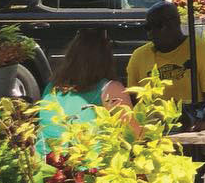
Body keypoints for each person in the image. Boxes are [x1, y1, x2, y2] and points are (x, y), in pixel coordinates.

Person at [37, 28, 133, 156]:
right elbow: (134, 135)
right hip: (87, 170)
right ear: (106, 58)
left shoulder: (51, 87)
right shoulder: (111, 89)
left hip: (44, 166)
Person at [126, 2, 205, 120]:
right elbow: (131, 101)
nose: (151, 33)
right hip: (152, 132)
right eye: (148, 27)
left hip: (192, 128)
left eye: (158, 26)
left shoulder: (200, 50)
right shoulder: (139, 56)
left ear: (175, 23)